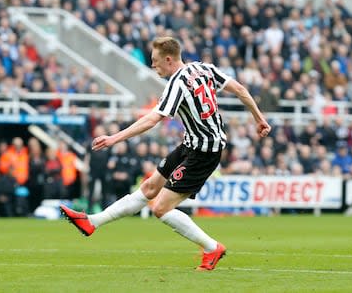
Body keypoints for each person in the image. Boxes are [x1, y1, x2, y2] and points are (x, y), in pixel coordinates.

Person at [60, 37, 271, 271]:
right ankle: (91, 222)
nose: (153, 66)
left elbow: (153, 119)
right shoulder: (204, 68)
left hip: (205, 152)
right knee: (149, 188)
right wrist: (259, 119)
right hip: (191, 144)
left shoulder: (177, 84)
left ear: (169, 60)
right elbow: (240, 90)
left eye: (155, 61)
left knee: (160, 208)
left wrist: (114, 138)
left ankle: (212, 248)